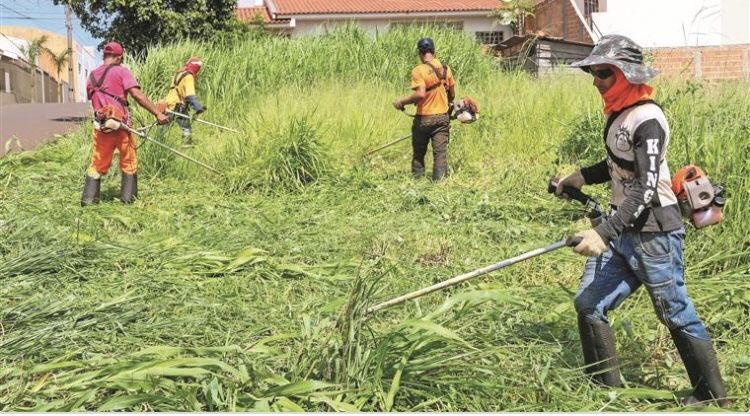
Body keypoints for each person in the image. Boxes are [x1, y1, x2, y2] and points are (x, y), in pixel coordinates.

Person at [555, 34, 730, 407]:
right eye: (594, 73)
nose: (596, 81)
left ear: (627, 75)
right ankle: (605, 390)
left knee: (675, 312)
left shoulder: (648, 119)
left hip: (654, 234)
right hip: (626, 231)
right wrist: (580, 177)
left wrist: (603, 232)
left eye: (604, 73)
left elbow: (647, 187)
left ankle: (713, 397)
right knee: (589, 304)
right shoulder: (622, 114)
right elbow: (617, 165)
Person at [81, 41, 168, 206]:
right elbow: (137, 95)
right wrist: (157, 112)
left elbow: (94, 100)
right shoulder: (122, 71)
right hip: (122, 127)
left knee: (97, 164)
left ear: (104, 55)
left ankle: (88, 202)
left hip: (102, 127)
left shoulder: (91, 76)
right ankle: (128, 202)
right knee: (129, 162)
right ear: (119, 57)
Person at [392, 38, 455, 181]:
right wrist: (446, 103)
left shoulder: (418, 71)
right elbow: (452, 93)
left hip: (423, 120)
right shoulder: (445, 68)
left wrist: (401, 102)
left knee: (419, 154)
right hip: (441, 119)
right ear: (433, 51)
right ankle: (440, 187)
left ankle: (418, 186)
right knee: (440, 154)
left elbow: (420, 94)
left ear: (420, 53)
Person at [163, 56, 205, 147]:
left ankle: (160, 142)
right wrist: (198, 108)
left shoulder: (178, 73)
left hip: (169, 102)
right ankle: (186, 144)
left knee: (165, 124)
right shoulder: (189, 76)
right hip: (178, 104)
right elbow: (190, 95)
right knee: (185, 125)